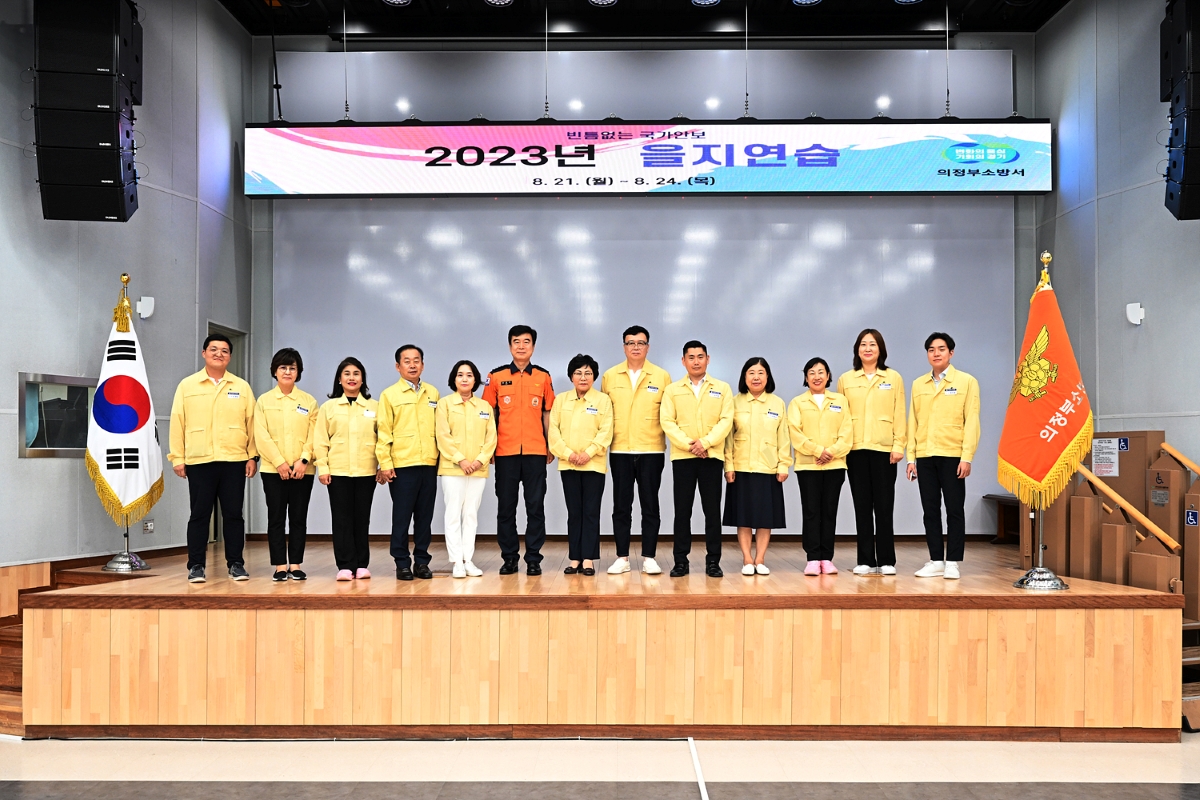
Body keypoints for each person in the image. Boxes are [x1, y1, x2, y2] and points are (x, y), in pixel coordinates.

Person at [168, 333, 257, 583]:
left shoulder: (241, 387)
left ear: (230, 357)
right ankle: (196, 565)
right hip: (199, 460)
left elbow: (252, 424)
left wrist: (252, 456)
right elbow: (177, 422)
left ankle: (236, 564)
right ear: (204, 353)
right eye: (214, 349)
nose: (219, 354)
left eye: (225, 351)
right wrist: (177, 457)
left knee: (234, 515)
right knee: (199, 515)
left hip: (234, 460)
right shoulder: (187, 386)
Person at [906, 332, 981, 580]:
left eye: (941, 349)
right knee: (930, 510)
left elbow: (972, 421)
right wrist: (910, 458)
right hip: (925, 455)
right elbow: (912, 422)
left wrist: (967, 456)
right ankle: (936, 560)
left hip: (952, 455)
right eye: (931, 349)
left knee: (954, 509)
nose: (936, 353)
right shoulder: (918, 384)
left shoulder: (966, 381)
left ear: (951, 353)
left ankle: (953, 562)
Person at [482, 325, 555, 576]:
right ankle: (509, 558)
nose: (521, 346)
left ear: (533, 346)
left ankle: (533, 558)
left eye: (526, 342)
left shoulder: (543, 377)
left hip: (535, 451)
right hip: (505, 452)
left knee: (535, 507)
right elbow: (488, 415)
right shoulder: (495, 376)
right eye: (516, 341)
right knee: (506, 508)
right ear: (509, 345)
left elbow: (547, 413)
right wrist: (489, 448)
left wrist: (549, 444)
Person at [660, 340, 734, 578]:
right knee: (682, 512)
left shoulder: (722, 388)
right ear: (683, 361)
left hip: (711, 457)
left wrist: (706, 443)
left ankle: (713, 561)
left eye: (700, 357)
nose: (696, 361)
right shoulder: (672, 390)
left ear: (708, 359)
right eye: (690, 357)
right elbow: (667, 422)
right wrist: (690, 445)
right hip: (683, 458)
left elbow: (726, 421)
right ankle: (680, 561)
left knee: (712, 512)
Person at [601, 325, 672, 575]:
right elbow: (604, 414)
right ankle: (622, 557)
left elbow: (667, 414)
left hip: (652, 450)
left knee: (650, 505)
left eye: (640, 343)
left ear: (648, 347)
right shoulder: (610, 376)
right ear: (624, 347)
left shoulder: (661, 376)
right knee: (621, 506)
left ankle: (649, 557)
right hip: (620, 450)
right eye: (630, 343)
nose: (635, 347)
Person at [836, 329, 906, 577]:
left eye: (872, 344)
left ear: (880, 349)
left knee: (885, 506)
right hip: (855, 450)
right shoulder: (846, 379)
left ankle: (886, 560)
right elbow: (840, 417)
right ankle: (865, 559)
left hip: (884, 451)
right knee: (862, 506)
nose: (867, 348)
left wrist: (899, 445)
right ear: (857, 349)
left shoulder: (893, 377)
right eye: (863, 344)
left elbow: (899, 413)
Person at [253, 348, 317, 582]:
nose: (287, 372)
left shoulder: (309, 401)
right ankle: (280, 565)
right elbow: (261, 435)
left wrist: (303, 460)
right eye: (283, 367)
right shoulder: (264, 401)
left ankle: (296, 564)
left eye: (292, 368)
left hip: (303, 470)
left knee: (299, 518)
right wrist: (279, 462)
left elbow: (314, 435)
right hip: (273, 471)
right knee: (276, 518)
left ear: (298, 372)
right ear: (275, 371)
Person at [313, 357, 381, 581]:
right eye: (347, 374)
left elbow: (383, 438)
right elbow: (320, 440)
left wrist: (382, 466)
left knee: (362, 518)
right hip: (338, 471)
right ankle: (344, 565)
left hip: (366, 471)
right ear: (339, 379)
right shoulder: (329, 407)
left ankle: (361, 564)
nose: (352, 378)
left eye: (356, 374)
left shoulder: (374, 407)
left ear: (362, 379)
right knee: (341, 518)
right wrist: (323, 467)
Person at [376, 344, 439, 582]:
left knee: (425, 518)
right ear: (398, 366)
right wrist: (385, 463)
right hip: (402, 465)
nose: (412, 365)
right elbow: (384, 432)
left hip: (428, 464)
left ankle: (422, 561)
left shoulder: (433, 393)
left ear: (422, 364)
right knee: (401, 518)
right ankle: (401, 563)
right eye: (407, 361)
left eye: (416, 360)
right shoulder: (389, 395)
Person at [723, 357, 790, 576]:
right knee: (742, 517)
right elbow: (728, 438)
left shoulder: (777, 403)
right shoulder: (734, 402)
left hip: (768, 468)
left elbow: (783, 437)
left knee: (764, 518)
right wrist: (728, 465)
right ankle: (747, 559)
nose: (756, 377)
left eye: (761, 373)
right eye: (751, 372)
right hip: (741, 467)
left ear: (767, 377)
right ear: (744, 377)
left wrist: (783, 465)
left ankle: (760, 559)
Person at [548, 354, 614, 576]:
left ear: (594, 376)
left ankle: (588, 559)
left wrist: (588, 453)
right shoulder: (561, 400)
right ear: (571, 377)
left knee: (591, 512)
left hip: (593, 465)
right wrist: (568, 454)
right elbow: (553, 432)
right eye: (578, 373)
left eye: (588, 373)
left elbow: (606, 431)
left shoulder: (603, 400)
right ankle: (574, 558)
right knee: (574, 512)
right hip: (569, 465)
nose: (583, 377)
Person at [788, 357, 853, 576]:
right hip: (808, 466)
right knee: (811, 511)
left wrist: (831, 452)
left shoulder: (840, 400)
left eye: (821, 372)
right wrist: (818, 451)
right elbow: (795, 433)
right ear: (806, 378)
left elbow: (847, 433)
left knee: (829, 511)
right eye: (812, 373)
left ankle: (827, 557)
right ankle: (813, 558)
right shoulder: (797, 403)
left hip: (835, 465)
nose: (817, 376)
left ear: (828, 376)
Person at [435, 360, 496, 578]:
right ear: (454, 379)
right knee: (453, 514)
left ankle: (468, 560)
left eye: (469, 375)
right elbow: (443, 436)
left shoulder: (485, 407)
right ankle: (456, 562)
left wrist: (479, 461)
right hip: (453, 469)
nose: (464, 379)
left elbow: (491, 438)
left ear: (475, 380)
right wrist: (461, 460)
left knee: (471, 514)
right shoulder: (444, 404)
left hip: (478, 470)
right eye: (460, 375)